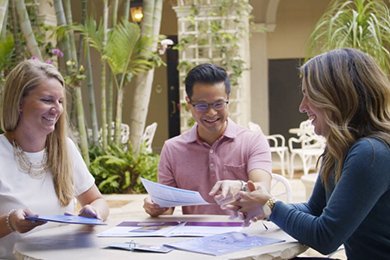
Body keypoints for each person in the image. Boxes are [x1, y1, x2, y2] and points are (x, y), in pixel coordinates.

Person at [226, 48, 390, 259]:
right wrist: (262, 207)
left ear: (337, 96)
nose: (302, 106)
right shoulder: (338, 148)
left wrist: (270, 206)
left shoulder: (372, 153)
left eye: (309, 95)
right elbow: (314, 209)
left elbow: (326, 237)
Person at [0, 59, 109, 258]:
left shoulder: (65, 148)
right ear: (19, 103)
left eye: (60, 101)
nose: (57, 109)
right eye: (47, 100)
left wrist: (94, 213)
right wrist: (10, 222)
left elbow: (98, 200)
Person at [143, 63, 272, 216]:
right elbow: (167, 209)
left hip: (245, 233)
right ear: (189, 103)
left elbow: (262, 190)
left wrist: (240, 186)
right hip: (194, 235)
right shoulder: (172, 149)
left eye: (218, 104)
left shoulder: (253, 141)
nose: (211, 113)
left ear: (228, 99)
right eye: (202, 105)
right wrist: (156, 207)